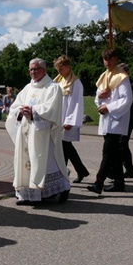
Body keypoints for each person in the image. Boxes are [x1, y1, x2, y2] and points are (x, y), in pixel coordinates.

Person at [6, 58, 70, 204]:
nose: (33, 72)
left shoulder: (53, 88)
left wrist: (33, 111)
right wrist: (21, 111)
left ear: (44, 70)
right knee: (27, 162)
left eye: (36, 69)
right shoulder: (27, 88)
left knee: (47, 162)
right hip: (26, 131)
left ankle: (61, 188)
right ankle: (27, 194)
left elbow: (52, 110)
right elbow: (15, 107)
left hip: (43, 133)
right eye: (31, 69)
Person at [88, 49, 132, 193]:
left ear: (116, 59)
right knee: (114, 154)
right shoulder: (104, 76)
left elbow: (127, 99)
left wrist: (109, 107)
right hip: (106, 118)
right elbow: (97, 97)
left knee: (107, 153)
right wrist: (101, 98)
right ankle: (119, 182)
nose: (107, 62)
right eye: (105, 59)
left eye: (110, 59)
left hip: (116, 120)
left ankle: (98, 183)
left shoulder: (121, 77)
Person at [53, 55, 89, 183]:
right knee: (65, 147)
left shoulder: (75, 83)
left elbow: (76, 103)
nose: (59, 71)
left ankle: (63, 174)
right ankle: (78, 171)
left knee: (65, 146)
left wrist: (69, 120)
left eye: (61, 69)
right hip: (59, 120)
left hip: (67, 120)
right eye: (58, 69)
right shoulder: (58, 80)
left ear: (68, 67)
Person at [118, 63, 133, 178]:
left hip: (128, 120)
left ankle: (129, 170)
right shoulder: (117, 85)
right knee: (120, 145)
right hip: (118, 119)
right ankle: (128, 170)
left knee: (122, 144)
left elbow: (130, 102)